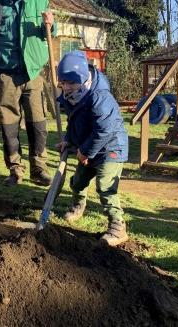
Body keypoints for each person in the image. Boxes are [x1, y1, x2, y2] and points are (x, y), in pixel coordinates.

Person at [0, 0, 55, 187]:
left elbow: (49, 33)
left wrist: (50, 25)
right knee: (9, 124)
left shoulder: (39, 2)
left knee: (38, 122)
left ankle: (39, 168)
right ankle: (15, 169)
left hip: (32, 72)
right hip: (5, 73)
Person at [55, 51, 130, 247]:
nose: (67, 87)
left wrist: (86, 152)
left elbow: (104, 129)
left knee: (105, 186)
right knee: (78, 181)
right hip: (89, 145)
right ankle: (78, 206)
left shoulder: (99, 96)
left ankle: (118, 226)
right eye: (63, 82)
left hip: (111, 147)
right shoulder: (70, 95)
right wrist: (69, 140)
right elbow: (74, 122)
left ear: (83, 78)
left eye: (71, 83)